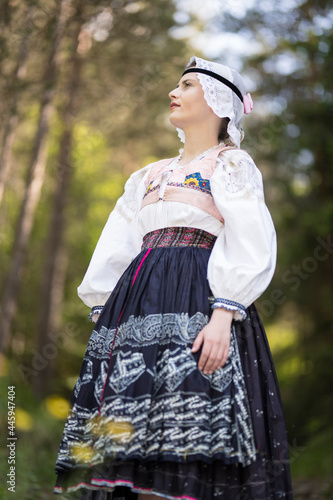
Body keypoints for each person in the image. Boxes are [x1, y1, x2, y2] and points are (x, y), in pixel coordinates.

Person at [54, 56, 293, 500]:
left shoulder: (231, 165)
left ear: (219, 102)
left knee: (187, 440)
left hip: (200, 303)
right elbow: (118, 245)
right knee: (131, 446)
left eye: (186, 85)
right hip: (134, 306)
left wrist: (224, 315)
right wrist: (107, 317)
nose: (173, 92)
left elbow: (250, 241)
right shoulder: (147, 175)